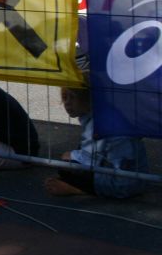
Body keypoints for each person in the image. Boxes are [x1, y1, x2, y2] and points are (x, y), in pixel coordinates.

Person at [44, 55, 148, 198]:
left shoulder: (98, 123)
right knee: (69, 162)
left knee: (66, 165)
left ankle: (79, 190)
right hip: (130, 177)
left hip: (123, 183)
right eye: (65, 97)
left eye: (72, 97)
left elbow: (88, 160)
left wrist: (71, 156)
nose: (67, 103)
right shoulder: (100, 116)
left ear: (89, 99)